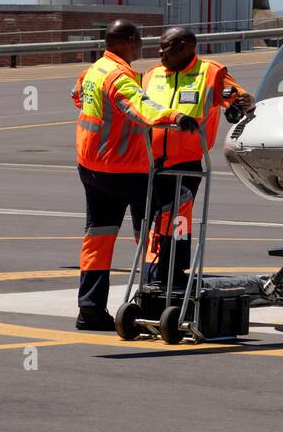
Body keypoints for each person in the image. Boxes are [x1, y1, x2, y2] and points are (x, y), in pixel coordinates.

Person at [71, 20, 196, 330]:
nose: (143, 45)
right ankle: (151, 301)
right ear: (126, 41)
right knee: (158, 224)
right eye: (139, 39)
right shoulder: (119, 76)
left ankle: (90, 309)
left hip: (91, 168)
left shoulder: (93, 70)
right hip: (125, 170)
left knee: (98, 235)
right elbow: (139, 107)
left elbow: (77, 97)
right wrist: (174, 116)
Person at [141, 27, 255, 289]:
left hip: (186, 164)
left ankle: (175, 273)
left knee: (178, 218)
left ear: (184, 47)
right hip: (150, 163)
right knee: (152, 221)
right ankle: (151, 274)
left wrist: (242, 102)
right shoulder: (151, 74)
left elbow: (240, 99)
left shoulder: (210, 72)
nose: (159, 52)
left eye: (164, 47)